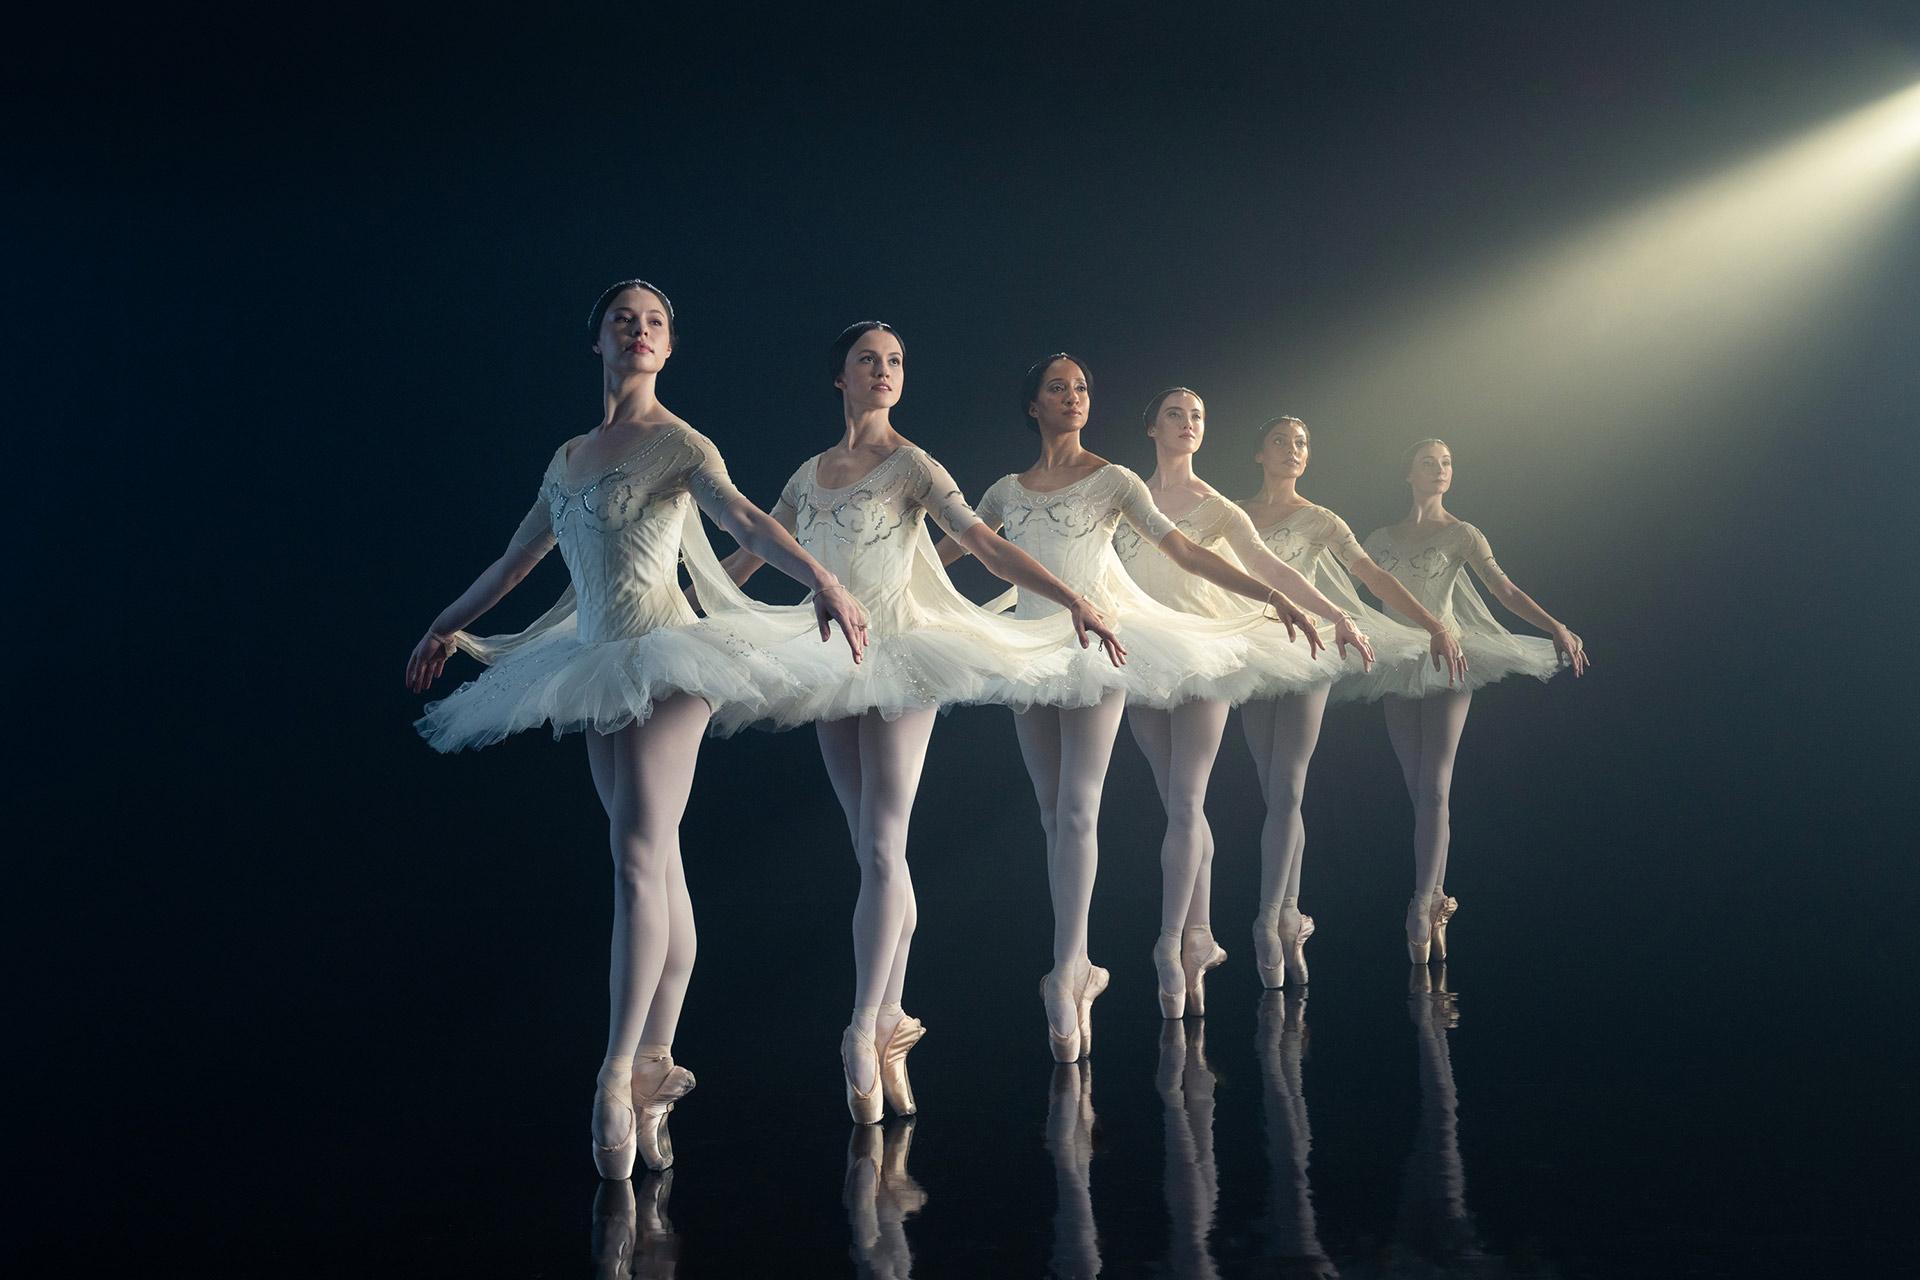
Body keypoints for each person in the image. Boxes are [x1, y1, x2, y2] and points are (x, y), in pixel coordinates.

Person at [405, 280, 868, 1177]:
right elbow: (517, 559)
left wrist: (823, 579)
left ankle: (616, 1074)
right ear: (599, 344)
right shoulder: (569, 455)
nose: (640, 330)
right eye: (626, 320)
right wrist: (442, 624)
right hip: (592, 662)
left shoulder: (678, 443)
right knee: (652, 861)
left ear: (669, 344)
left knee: (636, 855)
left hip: (666, 659)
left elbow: (744, 518)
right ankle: (657, 1059)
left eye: (655, 321)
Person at [714, 323, 1124, 1121]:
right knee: (869, 848)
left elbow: (981, 544)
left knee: (882, 840)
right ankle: (893, 1017)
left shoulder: (913, 465)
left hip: (902, 655)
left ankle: (864, 1026)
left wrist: (1075, 599)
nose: (883, 371)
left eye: (894, 361)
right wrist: (686, 614)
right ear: (840, 377)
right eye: (868, 360)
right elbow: (753, 553)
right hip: (831, 657)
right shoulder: (809, 474)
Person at [944, 354, 1326, 1055]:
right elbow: (955, 552)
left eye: (1083, 387)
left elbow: (1182, 550)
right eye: (1058, 388)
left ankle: (1069, 969)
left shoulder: (1113, 479)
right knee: (1052, 809)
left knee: (1081, 807)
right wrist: (875, 594)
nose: (1073, 397)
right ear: (1033, 405)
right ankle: (1072, 970)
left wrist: (1274, 595)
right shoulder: (1003, 491)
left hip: (1099, 642)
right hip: (1028, 650)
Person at [1114, 389, 1382, 1004]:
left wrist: (1336, 612)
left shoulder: (1219, 507)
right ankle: (1201, 935)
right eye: (1176, 414)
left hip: (1205, 653)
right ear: (1151, 425)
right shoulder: (1125, 495)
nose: (1188, 424)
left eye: (1199, 416)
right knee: (1178, 807)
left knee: (1187, 803)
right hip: (1142, 654)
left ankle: (1173, 943)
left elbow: (1271, 569)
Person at [1237, 414, 1466, 985]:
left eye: (1302, 444)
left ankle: (1267, 921)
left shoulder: (1321, 520)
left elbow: (1375, 577)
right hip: (1247, 653)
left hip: (1309, 650)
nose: (1294, 451)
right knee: (1272, 793)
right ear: (1259, 454)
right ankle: (1289, 914)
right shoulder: (1233, 516)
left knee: (1289, 786)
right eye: (1282, 443)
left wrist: (1433, 623)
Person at [1352, 438, 1589, 961]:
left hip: (1449, 656)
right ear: (1407, 473)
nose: (1440, 470)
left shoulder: (1462, 533)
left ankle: (1419, 904)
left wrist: (1555, 626)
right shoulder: (1379, 538)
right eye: (1429, 463)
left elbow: (1503, 590)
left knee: (1435, 786)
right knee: (1417, 787)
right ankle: (1435, 898)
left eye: (1446, 463)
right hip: (1396, 660)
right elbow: (1350, 593)